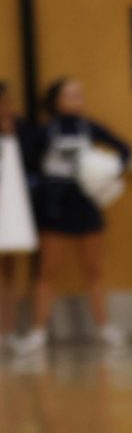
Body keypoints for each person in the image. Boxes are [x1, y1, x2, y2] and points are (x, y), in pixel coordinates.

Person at [14, 77, 132, 356]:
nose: (77, 99)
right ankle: (38, 332)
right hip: (55, 205)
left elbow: (125, 150)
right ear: (56, 100)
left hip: (85, 202)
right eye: (70, 94)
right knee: (47, 271)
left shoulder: (89, 128)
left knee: (94, 270)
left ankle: (104, 328)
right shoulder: (43, 132)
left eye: (80, 94)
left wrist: (107, 171)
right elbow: (27, 163)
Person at [0, 81, 38, 351]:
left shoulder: (20, 129)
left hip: (9, 210)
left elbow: (34, 161)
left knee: (9, 271)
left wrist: (9, 133)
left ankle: (7, 331)